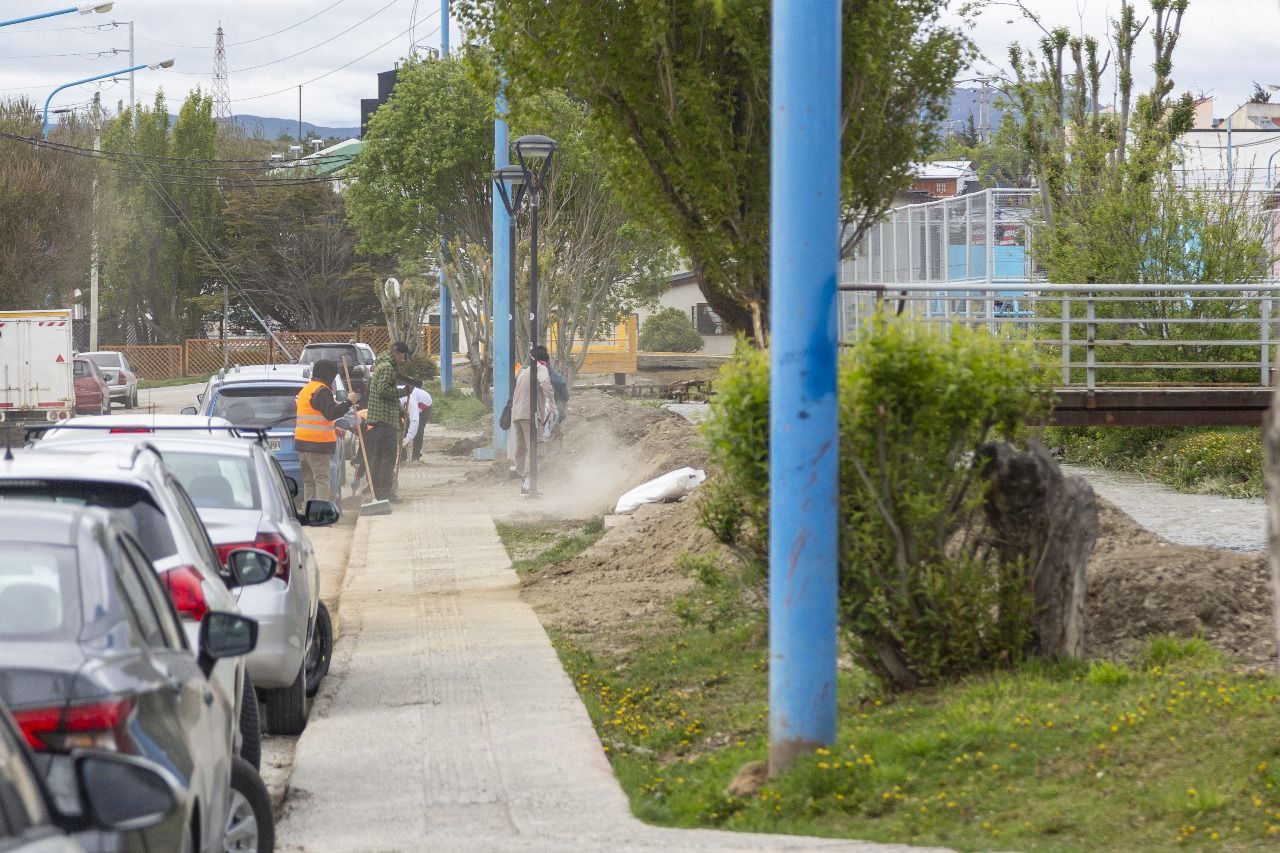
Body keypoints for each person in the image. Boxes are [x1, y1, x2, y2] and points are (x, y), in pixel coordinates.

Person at [294, 359, 354, 506]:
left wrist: (334, 428)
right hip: (318, 446)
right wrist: (349, 402)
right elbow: (331, 413)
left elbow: (313, 417)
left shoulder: (306, 389)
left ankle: (310, 512)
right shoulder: (322, 391)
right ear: (329, 375)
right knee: (321, 481)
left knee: (309, 482)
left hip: (302, 445)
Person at [366, 341, 409, 503]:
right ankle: (384, 492)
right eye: (403, 356)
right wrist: (403, 392)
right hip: (385, 421)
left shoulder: (381, 365)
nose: (403, 360)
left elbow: (386, 398)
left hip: (381, 419)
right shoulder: (387, 368)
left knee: (378, 457)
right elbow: (383, 391)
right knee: (387, 458)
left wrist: (399, 411)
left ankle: (376, 491)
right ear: (399, 353)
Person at [510, 345, 556, 495]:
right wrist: (553, 402)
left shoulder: (524, 372)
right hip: (530, 415)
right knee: (537, 450)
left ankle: (522, 478)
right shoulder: (540, 368)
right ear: (545, 362)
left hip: (517, 415)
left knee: (522, 449)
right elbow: (545, 383)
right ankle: (529, 483)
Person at [399, 378, 433, 463]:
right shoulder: (393, 395)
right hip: (407, 406)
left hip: (424, 406)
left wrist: (408, 438)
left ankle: (416, 457)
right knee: (402, 429)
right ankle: (402, 457)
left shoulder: (409, 398)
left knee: (418, 430)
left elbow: (415, 420)